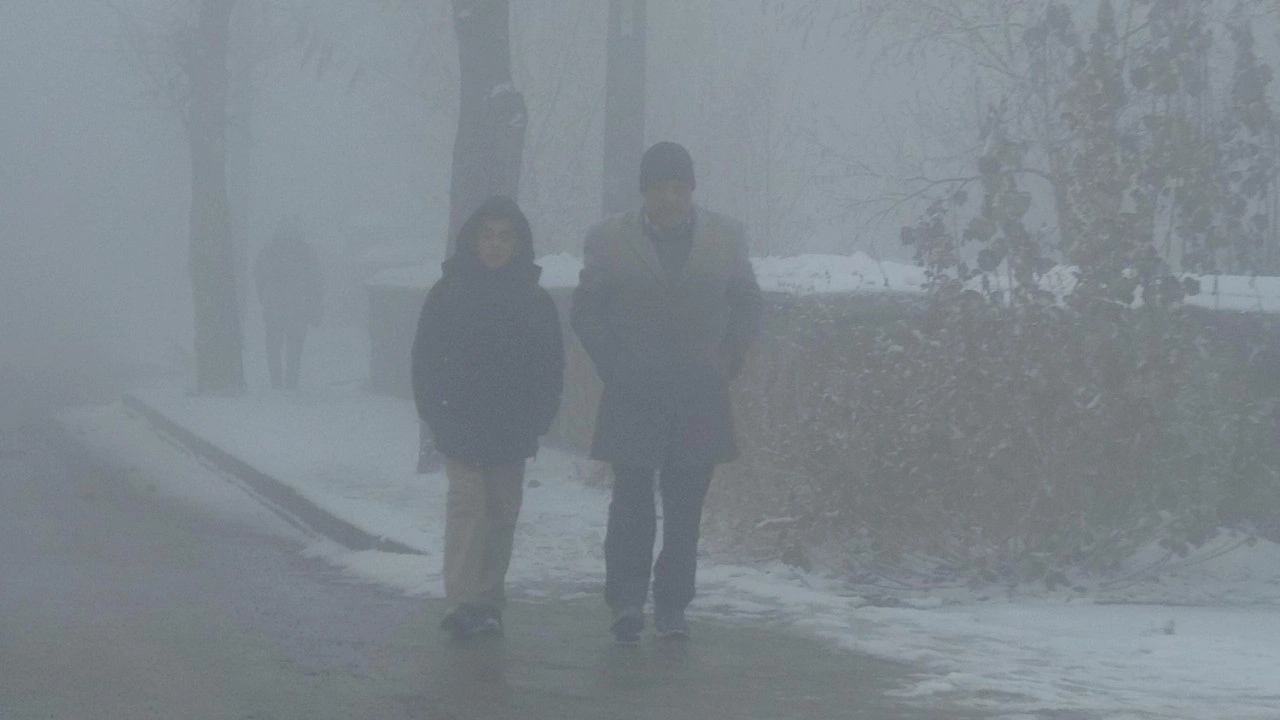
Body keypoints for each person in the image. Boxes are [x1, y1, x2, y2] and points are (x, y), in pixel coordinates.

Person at [571, 141, 763, 643]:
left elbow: (746, 301)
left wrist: (730, 356)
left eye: (679, 188)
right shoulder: (609, 239)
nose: (670, 199)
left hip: (699, 393)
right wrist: (615, 364)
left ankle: (674, 605)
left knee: (685, 510)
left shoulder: (726, 237)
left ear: (692, 190)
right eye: (660, 188)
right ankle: (627, 599)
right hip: (634, 390)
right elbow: (587, 310)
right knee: (631, 503)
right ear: (644, 192)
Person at [411, 196, 565, 641]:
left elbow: (550, 365)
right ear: (473, 241)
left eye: (504, 236)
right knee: (467, 507)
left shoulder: (534, 300)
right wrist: (433, 410)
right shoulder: (449, 292)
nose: (495, 245)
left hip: (512, 427)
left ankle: (489, 599)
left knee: (501, 512)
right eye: (487, 235)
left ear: (518, 244)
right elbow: (425, 357)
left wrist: (539, 417)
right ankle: (461, 600)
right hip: (459, 422)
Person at [253, 223, 322, 390]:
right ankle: (290, 385)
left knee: (275, 349)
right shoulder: (306, 252)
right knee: (294, 351)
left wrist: (264, 297)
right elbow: (316, 283)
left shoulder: (269, 251)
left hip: (275, 309)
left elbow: (258, 276)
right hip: (298, 310)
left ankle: (277, 384)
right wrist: (314, 307)